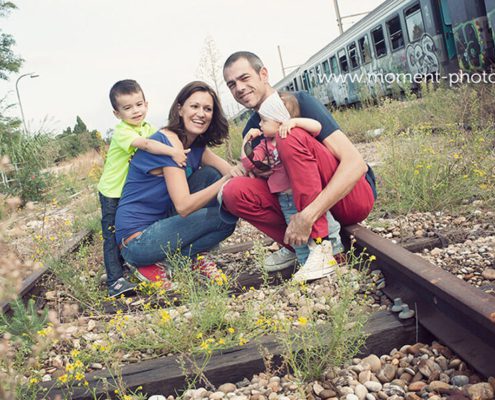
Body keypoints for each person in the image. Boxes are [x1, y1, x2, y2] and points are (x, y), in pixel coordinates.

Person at [222, 51, 377, 281]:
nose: (239, 88)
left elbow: (355, 164)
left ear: (263, 74)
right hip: (304, 208)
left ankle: (320, 246)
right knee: (234, 191)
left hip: (350, 199)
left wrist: (308, 215)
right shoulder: (253, 130)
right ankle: (300, 247)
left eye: (245, 78)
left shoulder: (298, 103)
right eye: (232, 84)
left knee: (288, 136)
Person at [115, 81, 237, 289]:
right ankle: (164, 261)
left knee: (209, 175)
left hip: (161, 225)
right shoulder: (168, 144)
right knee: (225, 217)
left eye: (207, 109)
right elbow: (183, 206)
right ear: (180, 109)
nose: (201, 113)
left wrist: (255, 172)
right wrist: (226, 181)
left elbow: (231, 171)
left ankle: (184, 258)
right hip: (138, 241)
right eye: (194, 106)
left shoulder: (195, 145)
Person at [98, 79, 189, 298]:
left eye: (139, 104)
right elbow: (147, 145)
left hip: (132, 192)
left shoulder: (148, 128)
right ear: (117, 113)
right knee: (112, 235)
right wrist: (173, 152)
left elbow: (160, 137)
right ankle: (115, 281)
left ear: (146, 104)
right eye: (127, 108)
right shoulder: (123, 132)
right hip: (113, 192)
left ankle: (134, 264)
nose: (135, 111)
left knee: (134, 229)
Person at [240, 91, 339, 281]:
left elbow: (317, 126)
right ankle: (306, 265)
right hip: (284, 198)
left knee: (326, 222)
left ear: (279, 121)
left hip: (304, 193)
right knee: (296, 236)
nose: (259, 125)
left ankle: (333, 251)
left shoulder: (294, 133)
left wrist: (294, 122)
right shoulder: (265, 144)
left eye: (263, 121)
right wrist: (247, 142)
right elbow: (249, 164)